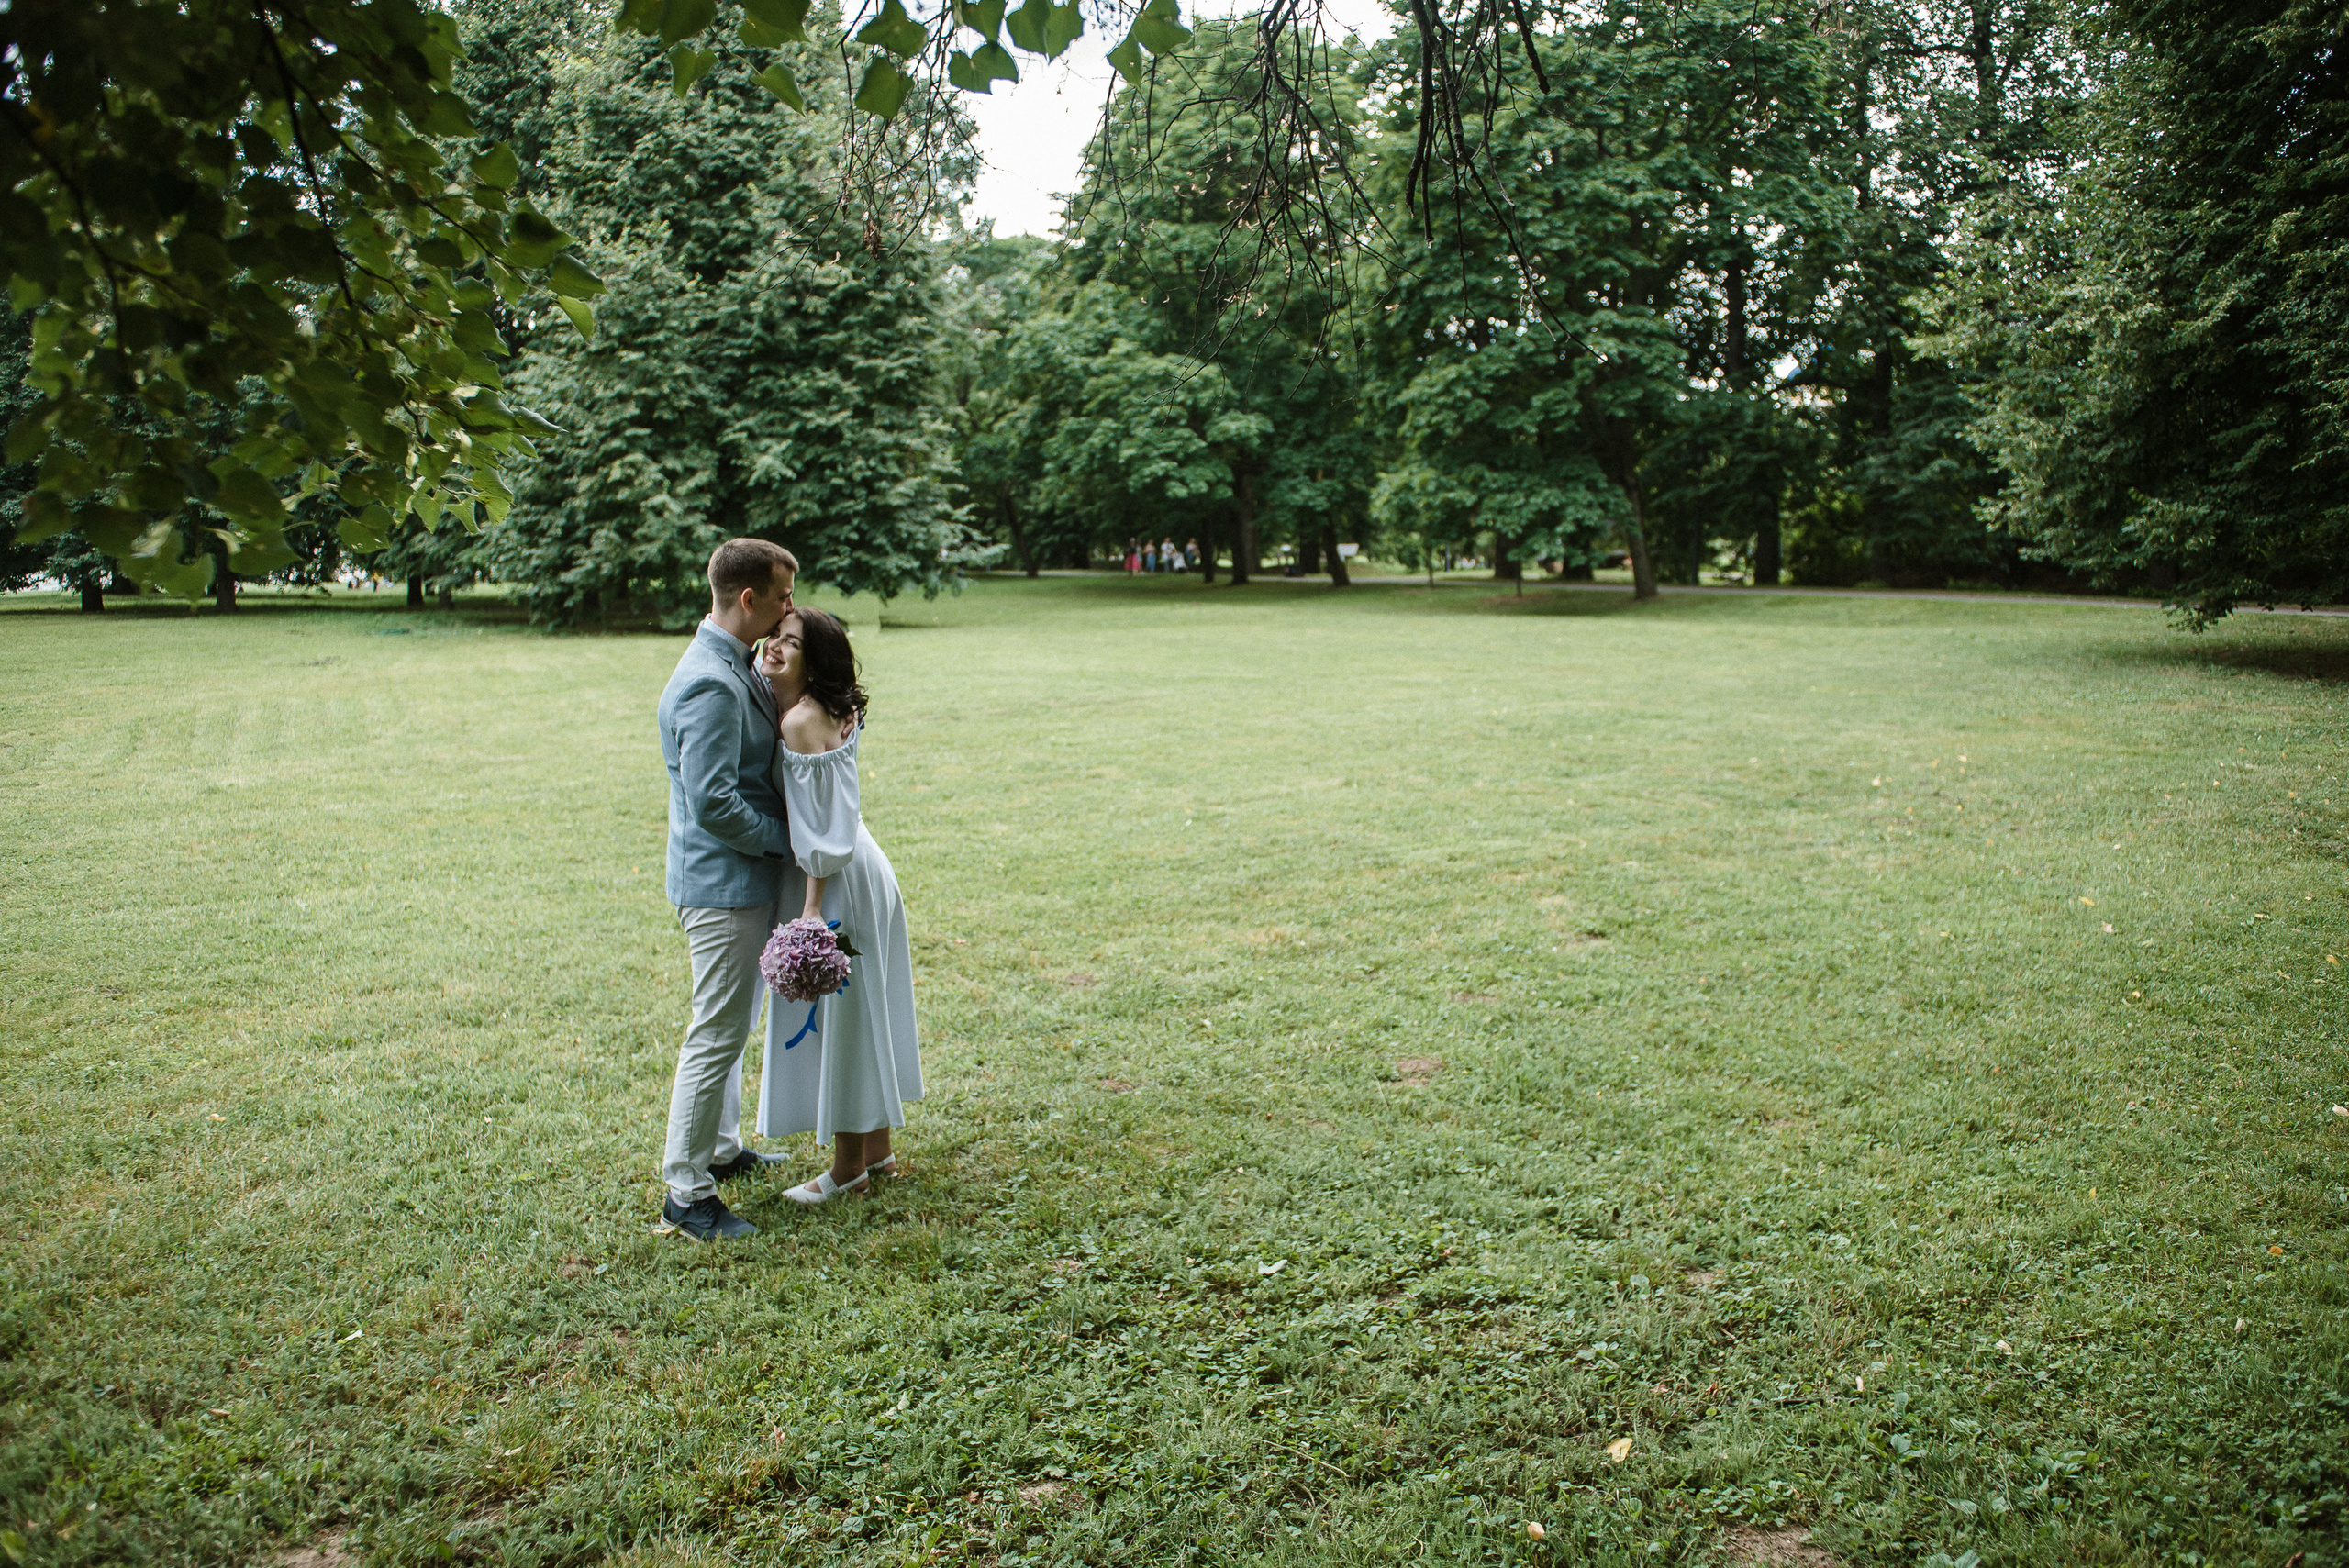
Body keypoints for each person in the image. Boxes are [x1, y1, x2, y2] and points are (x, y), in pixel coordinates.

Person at [652, 538, 799, 1242]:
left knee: (734, 1024)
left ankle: (721, 1147)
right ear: (750, 600)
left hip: (736, 879)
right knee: (714, 1032)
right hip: (721, 885)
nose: (789, 608)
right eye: (782, 596)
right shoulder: (709, 681)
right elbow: (714, 802)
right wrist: (787, 837)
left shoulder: (730, 660)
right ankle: (685, 1190)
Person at [754, 607, 924, 1204]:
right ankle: (876, 1149)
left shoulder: (800, 720)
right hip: (867, 864)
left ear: (816, 658)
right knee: (866, 1009)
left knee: (845, 1023)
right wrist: (773, 663)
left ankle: (848, 1166)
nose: (775, 646)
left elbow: (818, 832)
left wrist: (809, 911)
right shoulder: (833, 709)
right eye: (775, 635)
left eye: (790, 642)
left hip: (838, 879)